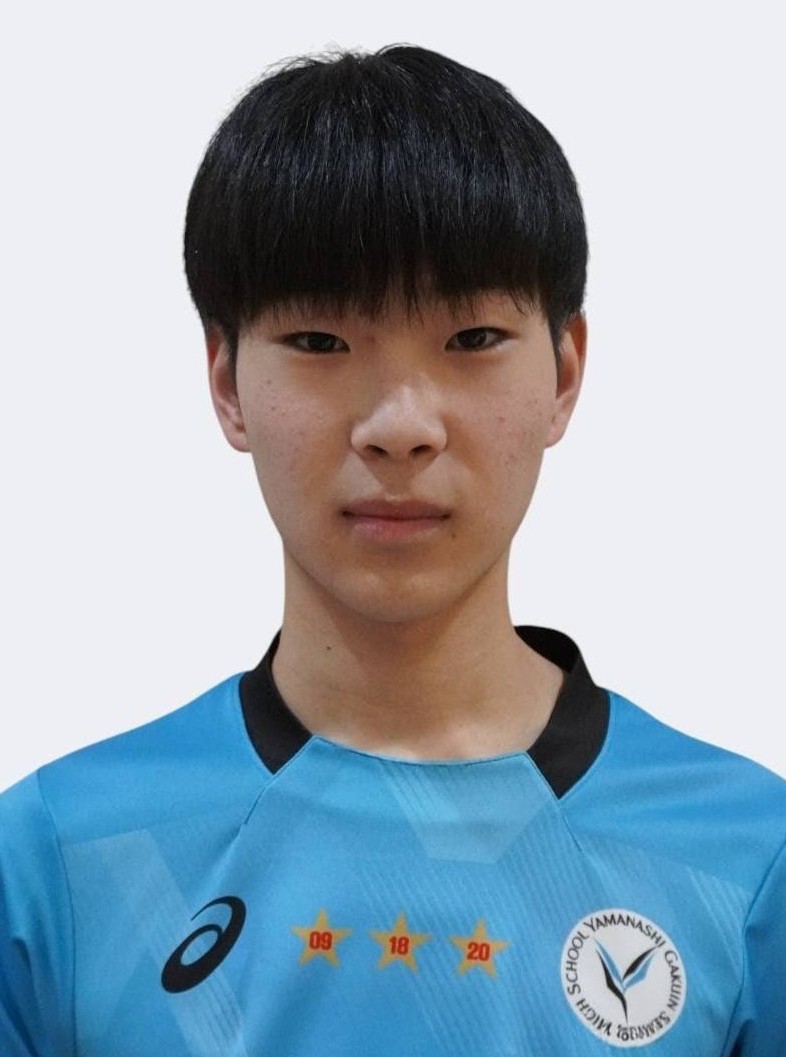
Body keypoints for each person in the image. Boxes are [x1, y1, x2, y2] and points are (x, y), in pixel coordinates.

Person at [1, 43, 784, 1057]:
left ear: (565, 372)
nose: (400, 427)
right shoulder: (62, 861)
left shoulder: (748, 861)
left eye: (472, 340)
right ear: (227, 382)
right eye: (321, 343)